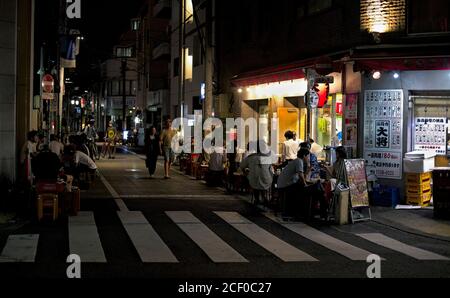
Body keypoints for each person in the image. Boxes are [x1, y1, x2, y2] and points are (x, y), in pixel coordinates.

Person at [240, 140, 274, 206]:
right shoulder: (268, 158)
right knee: (262, 181)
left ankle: (257, 199)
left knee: (255, 181)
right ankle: (264, 198)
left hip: (253, 180)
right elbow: (270, 169)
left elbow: (241, 166)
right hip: (266, 180)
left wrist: (246, 173)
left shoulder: (250, 157)